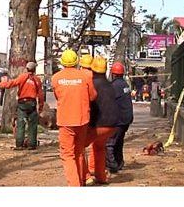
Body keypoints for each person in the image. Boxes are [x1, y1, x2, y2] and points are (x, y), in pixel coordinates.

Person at [52, 49, 96, 186]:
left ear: (62, 62)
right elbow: (93, 96)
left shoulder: (56, 78)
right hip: (82, 119)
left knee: (67, 155)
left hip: (65, 121)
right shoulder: (85, 77)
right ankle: (81, 180)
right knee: (79, 151)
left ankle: (74, 185)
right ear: (77, 62)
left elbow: (57, 96)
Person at [82, 56, 119, 186]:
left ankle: (86, 176)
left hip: (98, 125)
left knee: (78, 148)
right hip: (113, 125)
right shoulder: (109, 85)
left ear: (92, 69)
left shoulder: (92, 84)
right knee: (99, 147)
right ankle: (101, 176)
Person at [0, 61, 44, 150]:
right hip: (32, 104)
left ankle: (19, 144)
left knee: (20, 124)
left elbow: (12, 83)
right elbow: (41, 95)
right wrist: (41, 106)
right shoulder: (37, 80)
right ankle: (32, 144)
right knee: (32, 125)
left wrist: (1, 85)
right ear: (34, 69)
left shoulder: (22, 77)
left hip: (22, 103)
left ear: (27, 69)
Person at [106, 61, 133, 173]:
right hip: (127, 119)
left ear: (113, 74)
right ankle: (119, 162)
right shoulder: (125, 84)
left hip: (119, 119)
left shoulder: (113, 86)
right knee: (119, 141)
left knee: (109, 143)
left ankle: (112, 165)